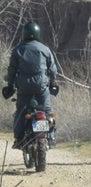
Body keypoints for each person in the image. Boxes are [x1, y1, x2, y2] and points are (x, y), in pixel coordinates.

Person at [3, 21, 58, 149]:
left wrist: (10, 85)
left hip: (24, 88)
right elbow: (53, 69)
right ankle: (51, 136)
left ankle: (19, 139)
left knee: (21, 112)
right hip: (42, 87)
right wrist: (53, 83)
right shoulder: (45, 49)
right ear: (38, 33)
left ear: (24, 34)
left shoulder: (18, 50)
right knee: (47, 111)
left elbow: (11, 70)